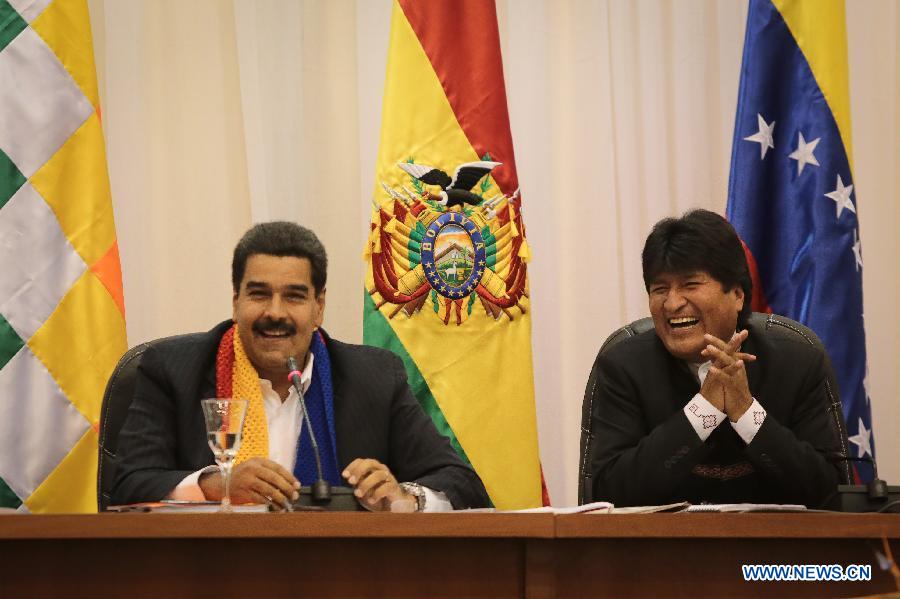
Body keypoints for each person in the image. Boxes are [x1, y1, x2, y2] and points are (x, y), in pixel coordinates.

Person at [112, 221, 489, 511]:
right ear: (235, 301)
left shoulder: (372, 378)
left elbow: (462, 484)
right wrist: (217, 485)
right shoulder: (174, 370)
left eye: (294, 297)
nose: (275, 313)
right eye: (259, 294)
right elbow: (126, 485)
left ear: (318, 308)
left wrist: (404, 496)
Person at [585, 209, 847, 507]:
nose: (672, 303)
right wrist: (702, 412)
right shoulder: (623, 366)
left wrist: (747, 413)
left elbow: (832, 493)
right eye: (660, 289)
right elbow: (607, 494)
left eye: (690, 285)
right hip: (661, 552)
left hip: (775, 551)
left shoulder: (797, 362)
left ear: (737, 294)